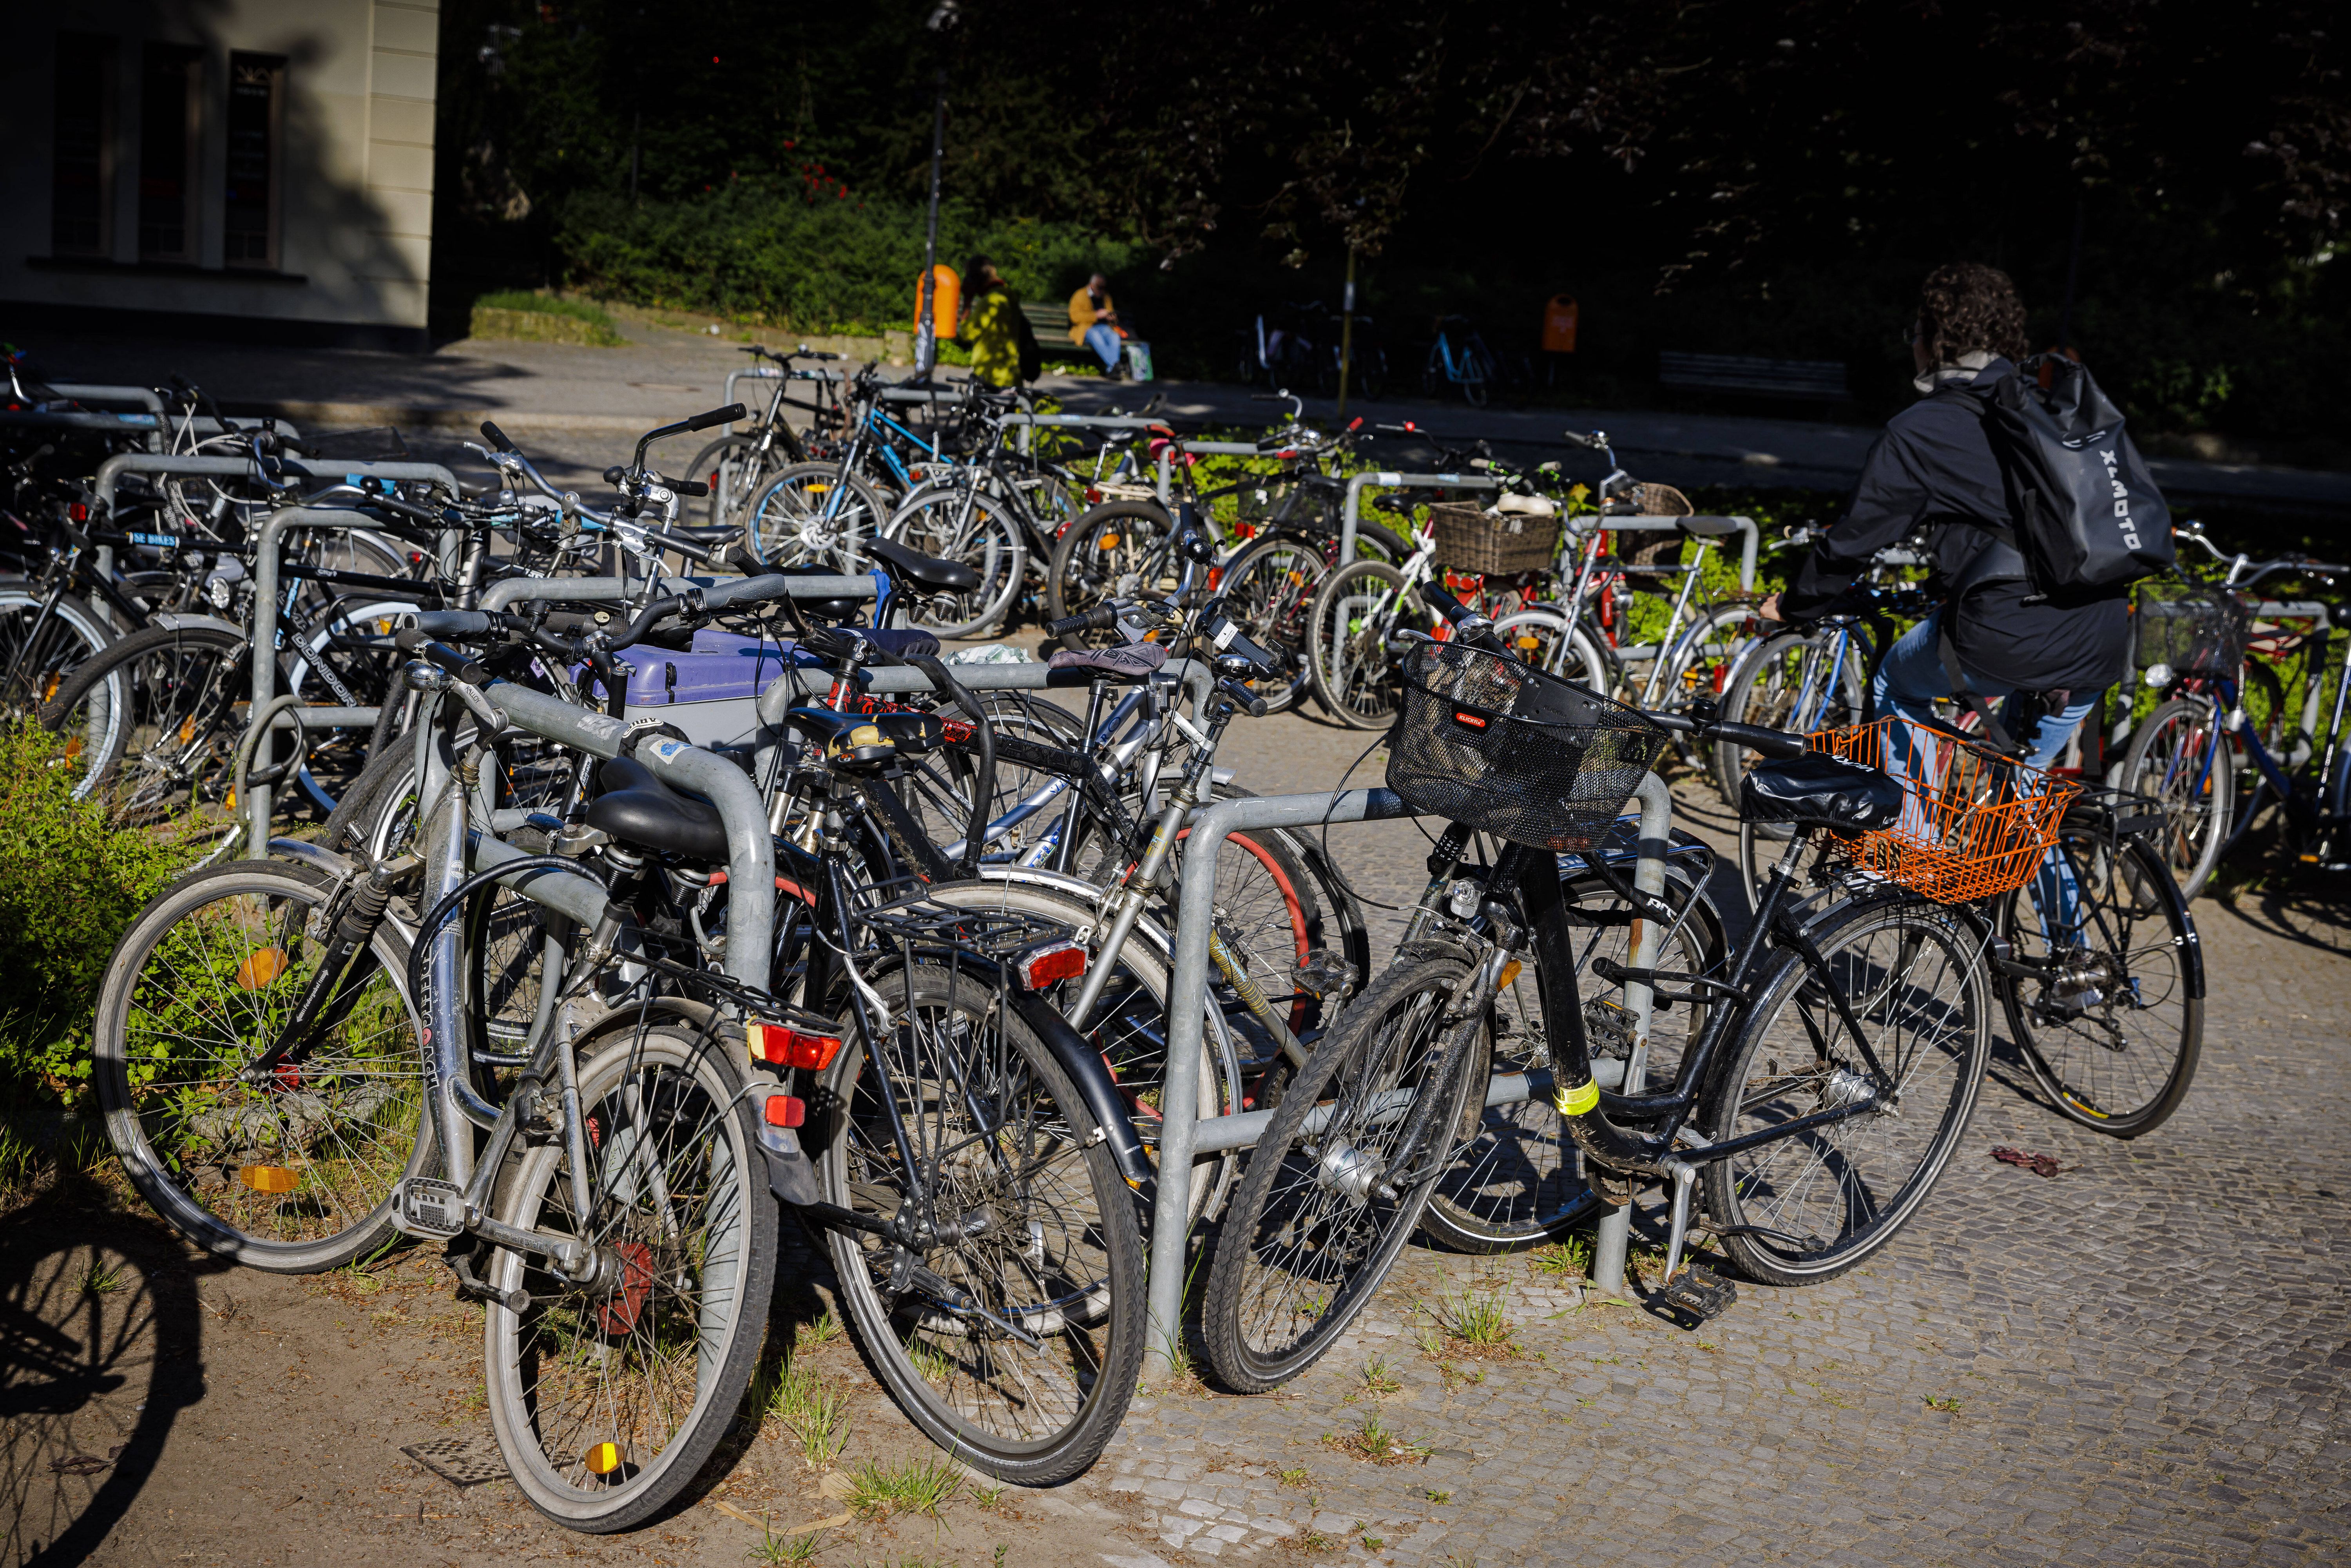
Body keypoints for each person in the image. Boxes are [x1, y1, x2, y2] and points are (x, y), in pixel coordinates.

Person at [1760, 262, 2132, 771]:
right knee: (2020, 811)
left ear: (1934, 340)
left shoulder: (1923, 429)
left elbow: (1854, 539)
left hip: (2011, 634)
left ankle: (1915, 844)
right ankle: (2048, 848)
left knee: (1895, 683)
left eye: (1915, 332)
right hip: (2101, 632)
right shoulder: (2055, 404)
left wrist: (1797, 604)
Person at [957, 256, 1022, 389]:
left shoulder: (990, 301)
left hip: (991, 376)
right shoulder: (1007, 293)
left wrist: (967, 302)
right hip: (1011, 373)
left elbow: (967, 334)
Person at [1068, 272, 1125, 377]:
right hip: (1085, 328)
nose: (1102, 290)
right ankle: (1115, 365)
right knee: (1095, 336)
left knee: (1115, 336)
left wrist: (1112, 318)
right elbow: (1074, 317)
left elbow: (1112, 315)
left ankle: (1111, 370)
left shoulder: (1106, 297)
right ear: (1092, 285)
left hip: (1104, 327)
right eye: (1100, 287)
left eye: (1104, 287)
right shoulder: (1080, 295)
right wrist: (1096, 316)